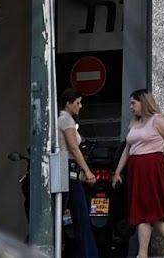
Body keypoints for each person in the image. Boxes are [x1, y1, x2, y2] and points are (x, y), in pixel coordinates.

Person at [109, 89, 164, 258]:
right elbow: (128, 149)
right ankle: (146, 254)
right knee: (144, 212)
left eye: (133, 103)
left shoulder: (157, 120)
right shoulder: (135, 122)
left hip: (151, 168)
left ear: (143, 102)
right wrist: (118, 172)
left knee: (150, 211)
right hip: (137, 169)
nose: (130, 107)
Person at [56, 88, 98, 258]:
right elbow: (74, 148)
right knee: (79, 217)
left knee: (68, 215)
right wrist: (87, 171)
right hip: (68, 172)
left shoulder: (61, 118)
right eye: (77, 103)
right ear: (68, 103)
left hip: (66, 172)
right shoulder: (67, 120)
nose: (80, 106)